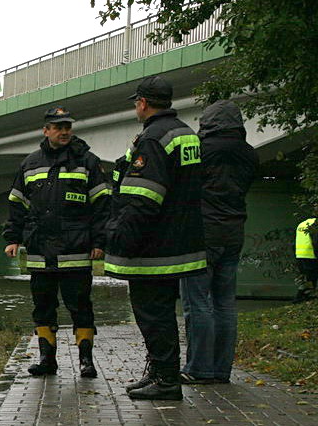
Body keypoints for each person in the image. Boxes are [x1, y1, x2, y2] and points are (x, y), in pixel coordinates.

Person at [105, 76, 207, 400]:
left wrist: (119, 237)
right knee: (162, 312)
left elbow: (144, 198)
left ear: (143, 103)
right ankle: (161, 374)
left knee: (153, 316)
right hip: (179, 239)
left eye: (137, 102)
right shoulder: (186, 134)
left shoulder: (153, 139)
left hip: (154, 248)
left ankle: (165, 381)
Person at [3, 106, 110, 378]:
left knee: (81, 307)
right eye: (58, 127)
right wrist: (13, 238)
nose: (64, 132)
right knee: (43, 308)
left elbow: (102, 205)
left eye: (67, 127)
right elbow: (17, 204)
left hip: (76, 250)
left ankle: (86, 361)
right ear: (46, 130)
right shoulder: (30, 164)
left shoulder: (87, 161)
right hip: (41, 252)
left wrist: (100, 241)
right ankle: (47, 360)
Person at [179, 100, 258, 385]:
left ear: (209, 122)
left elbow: (185, 186)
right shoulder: (250, 154)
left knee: (197, 302)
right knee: (225, 303)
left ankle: (199, 368)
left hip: (203, 232)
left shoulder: (202, 150)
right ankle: (221, 370)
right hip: (234, 230)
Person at [293, 217, 318, 303]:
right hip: (311, 255)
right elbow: (317, 242)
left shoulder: (302, 224)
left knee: (307, 277)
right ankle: (301, 298)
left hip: (300, 254)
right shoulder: (317, 225)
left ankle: (303, 298)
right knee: (312, 277)